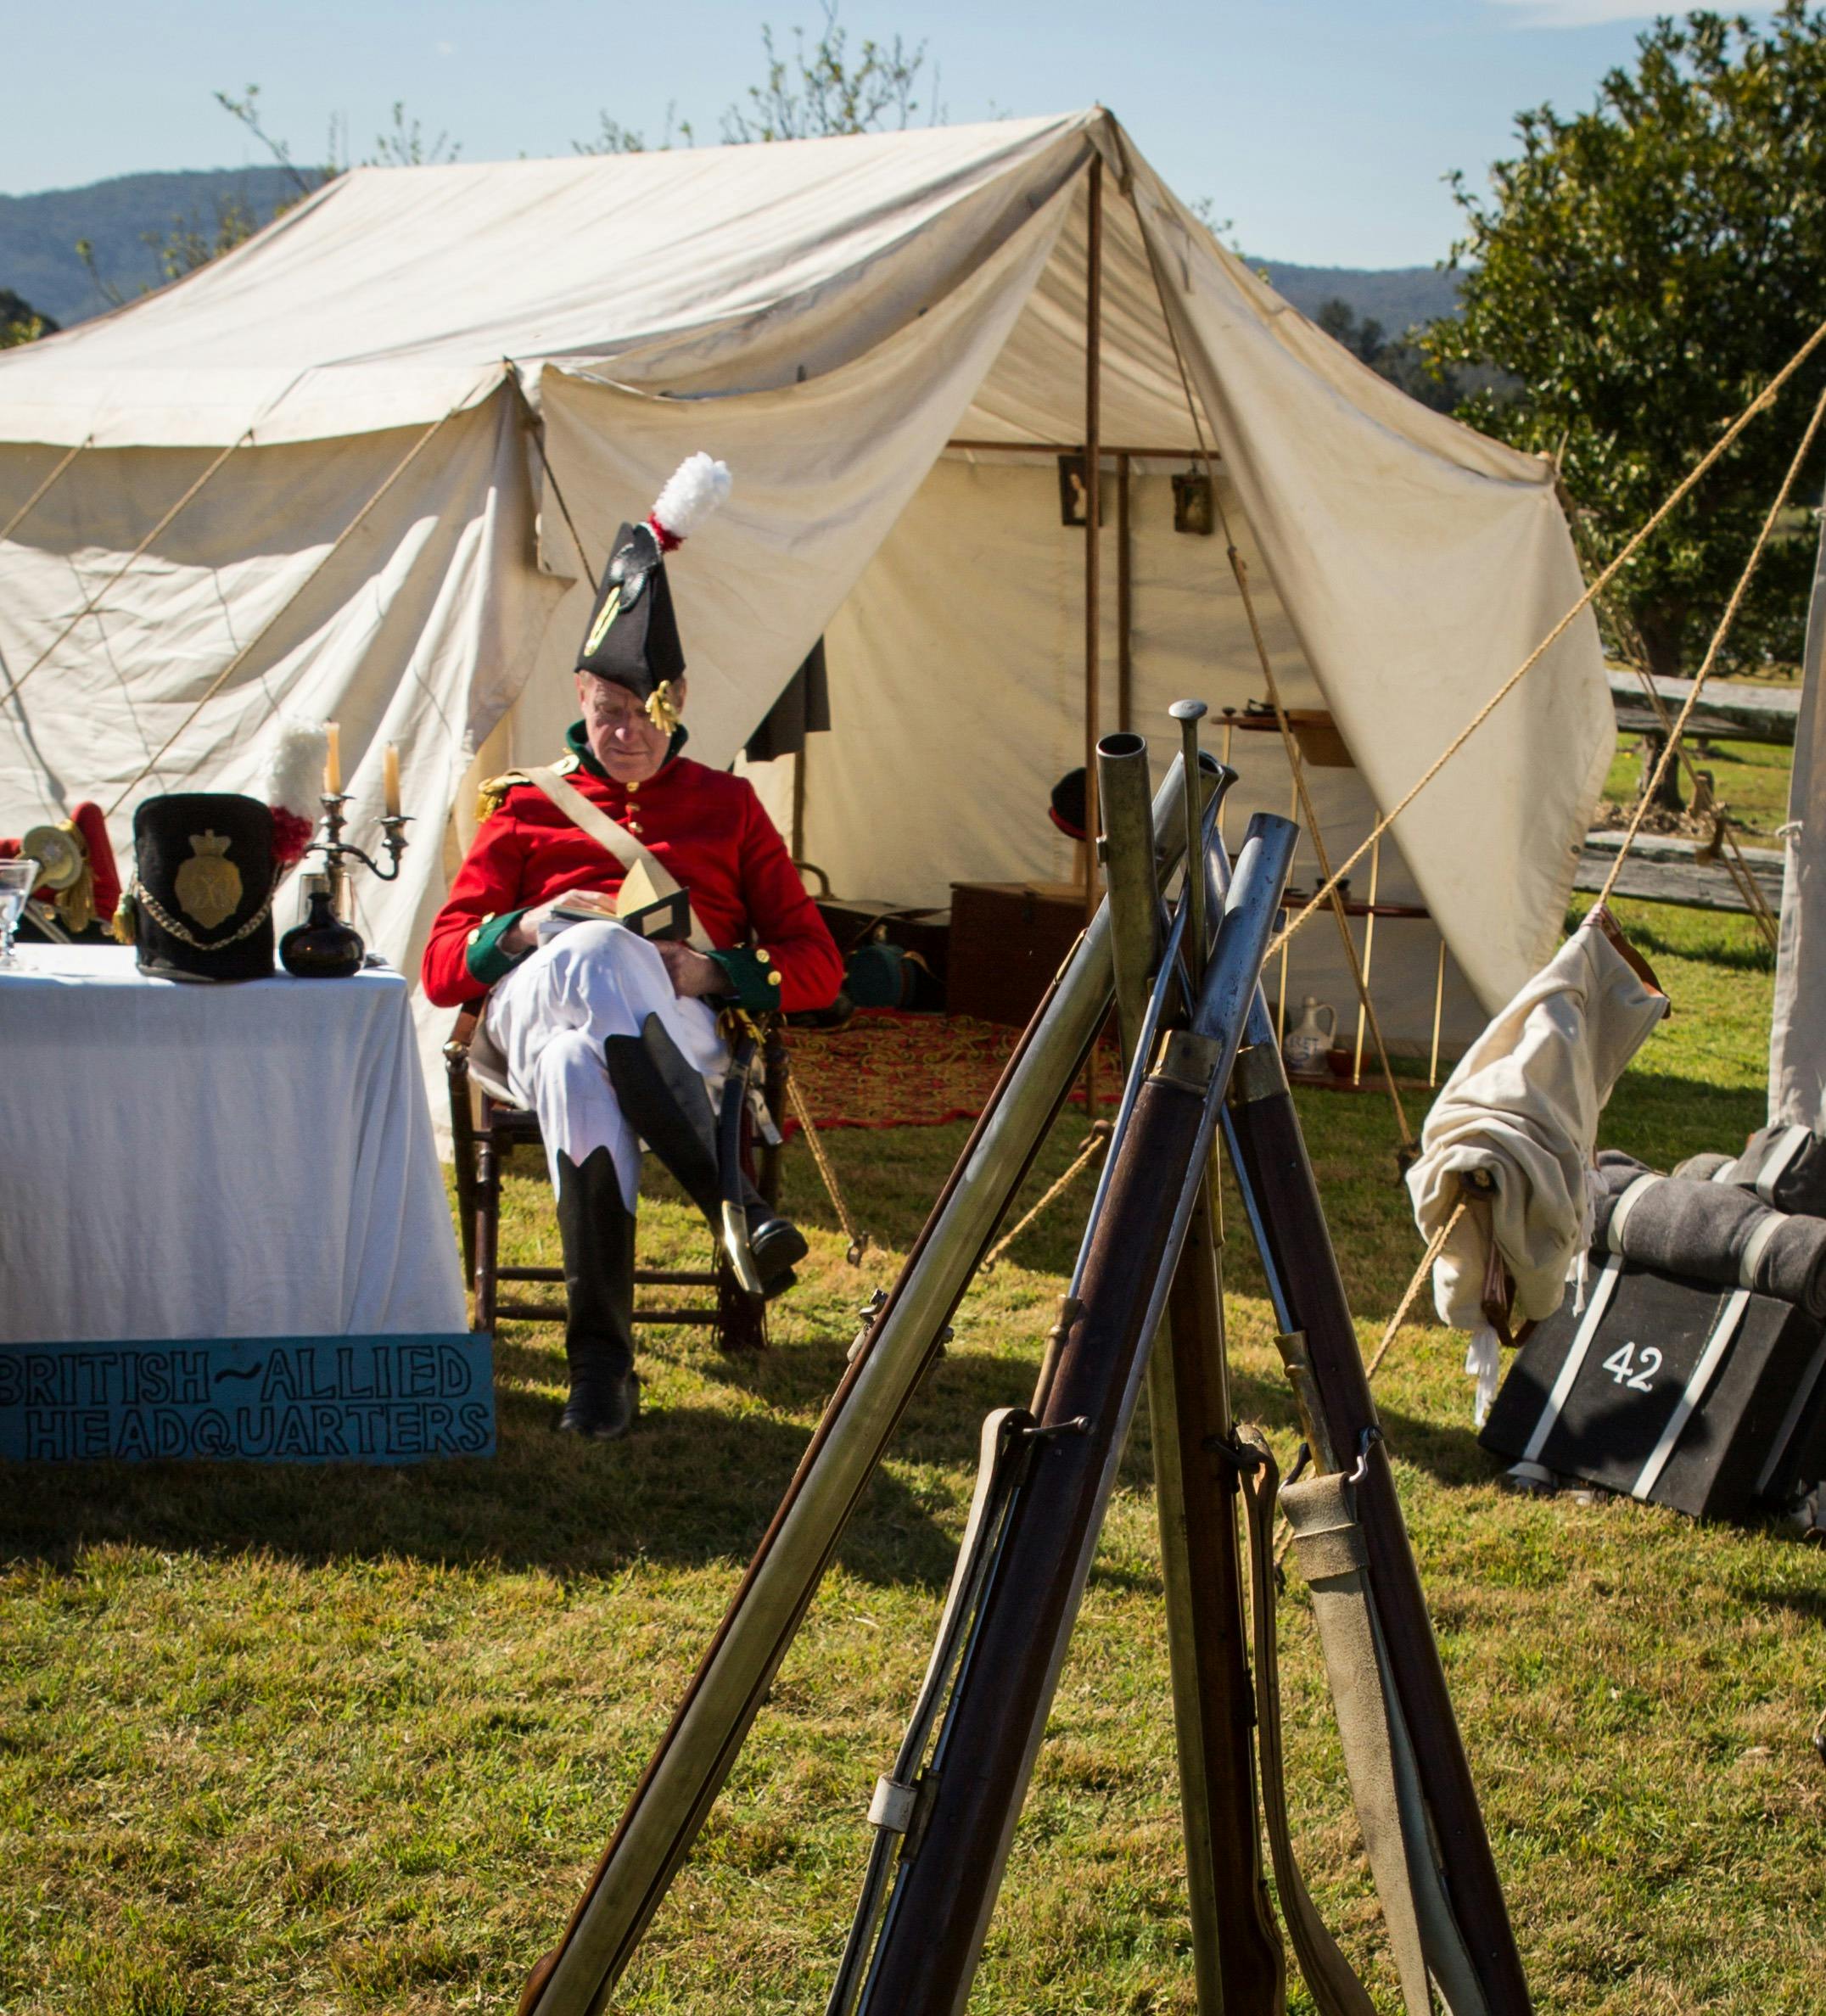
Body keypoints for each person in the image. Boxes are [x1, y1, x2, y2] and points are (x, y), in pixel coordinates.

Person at [423, 455, 842, 1441]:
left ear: (679, 698)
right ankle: (730, 1203)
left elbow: (813, 963)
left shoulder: (728, 808)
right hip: (524, 1022)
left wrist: (716, 970)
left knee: (582, 1060)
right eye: (606, 715)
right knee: (592, 953)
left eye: (643, 716)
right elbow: (444, 966)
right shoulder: (526, 804)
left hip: (682, 1036)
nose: (623, 738)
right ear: (579, 696)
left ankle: (599, 1369)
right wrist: (525, 927)